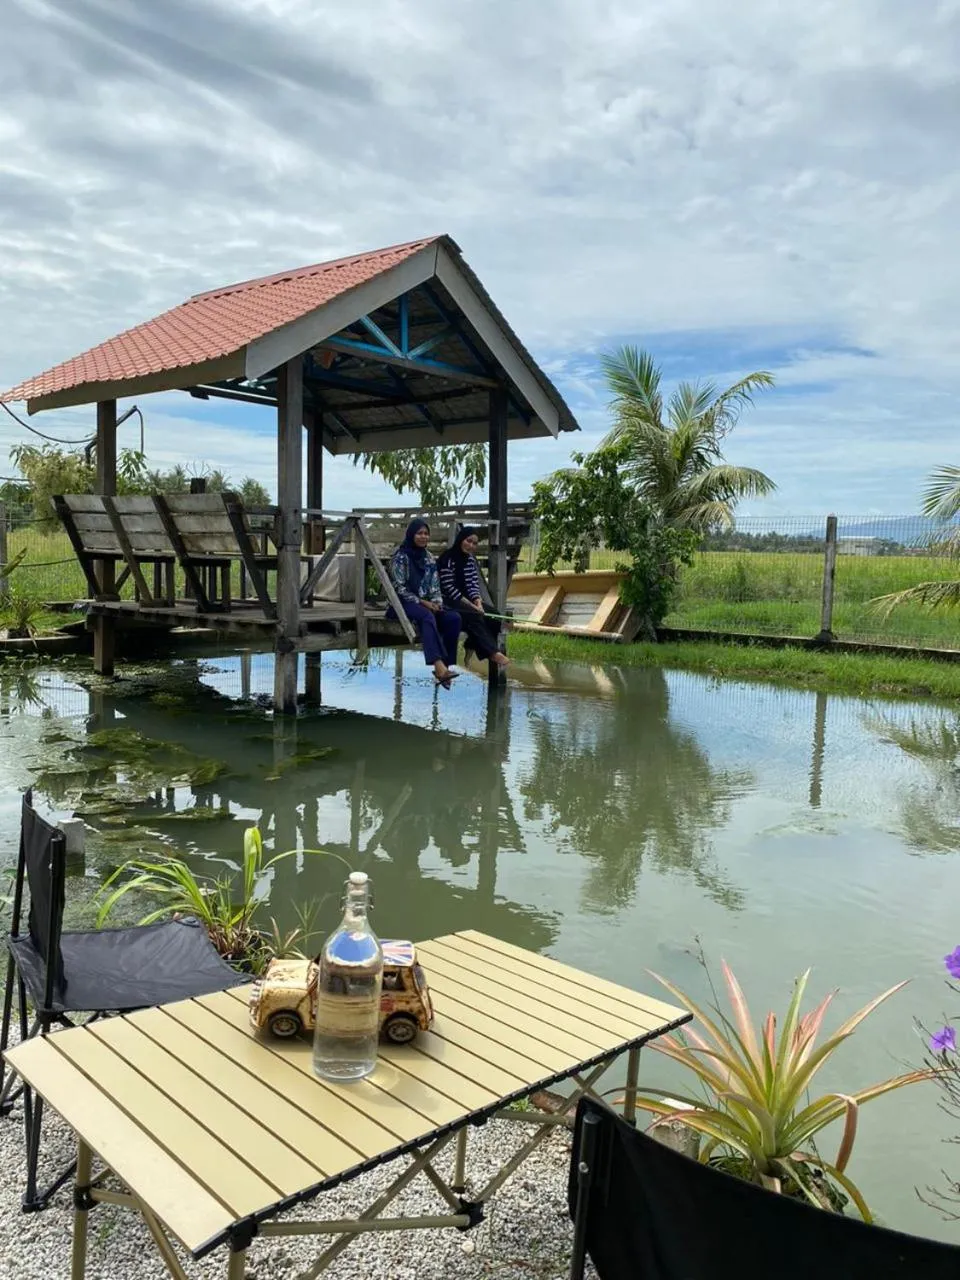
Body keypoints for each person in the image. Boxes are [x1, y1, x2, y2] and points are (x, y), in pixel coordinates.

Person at [387, 519, 462, 688]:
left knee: (453, 618)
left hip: (424, 604)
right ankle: (439, 667)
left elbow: (435, 585)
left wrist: (437, 602)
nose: (423, 537)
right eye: (419, 533)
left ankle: (445, 668)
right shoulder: (400, 557)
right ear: (411, 535)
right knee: (427, 617)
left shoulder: (428, 557)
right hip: (401, 604)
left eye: (426, 534)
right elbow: (398, 588)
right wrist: (423, 603)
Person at [437, 526, 510, 670]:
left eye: (474, 543)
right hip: (448, 600)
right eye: (468, 541)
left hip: (467, 601)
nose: (471, 545)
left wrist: (478, 602)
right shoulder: (447, 558)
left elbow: (473, 585)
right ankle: (492, 653)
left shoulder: (470, 560)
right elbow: (448, 588)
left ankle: (471, 645)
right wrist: (473, 607)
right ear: (460, 540)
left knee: (494, 616)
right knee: (474, 615)